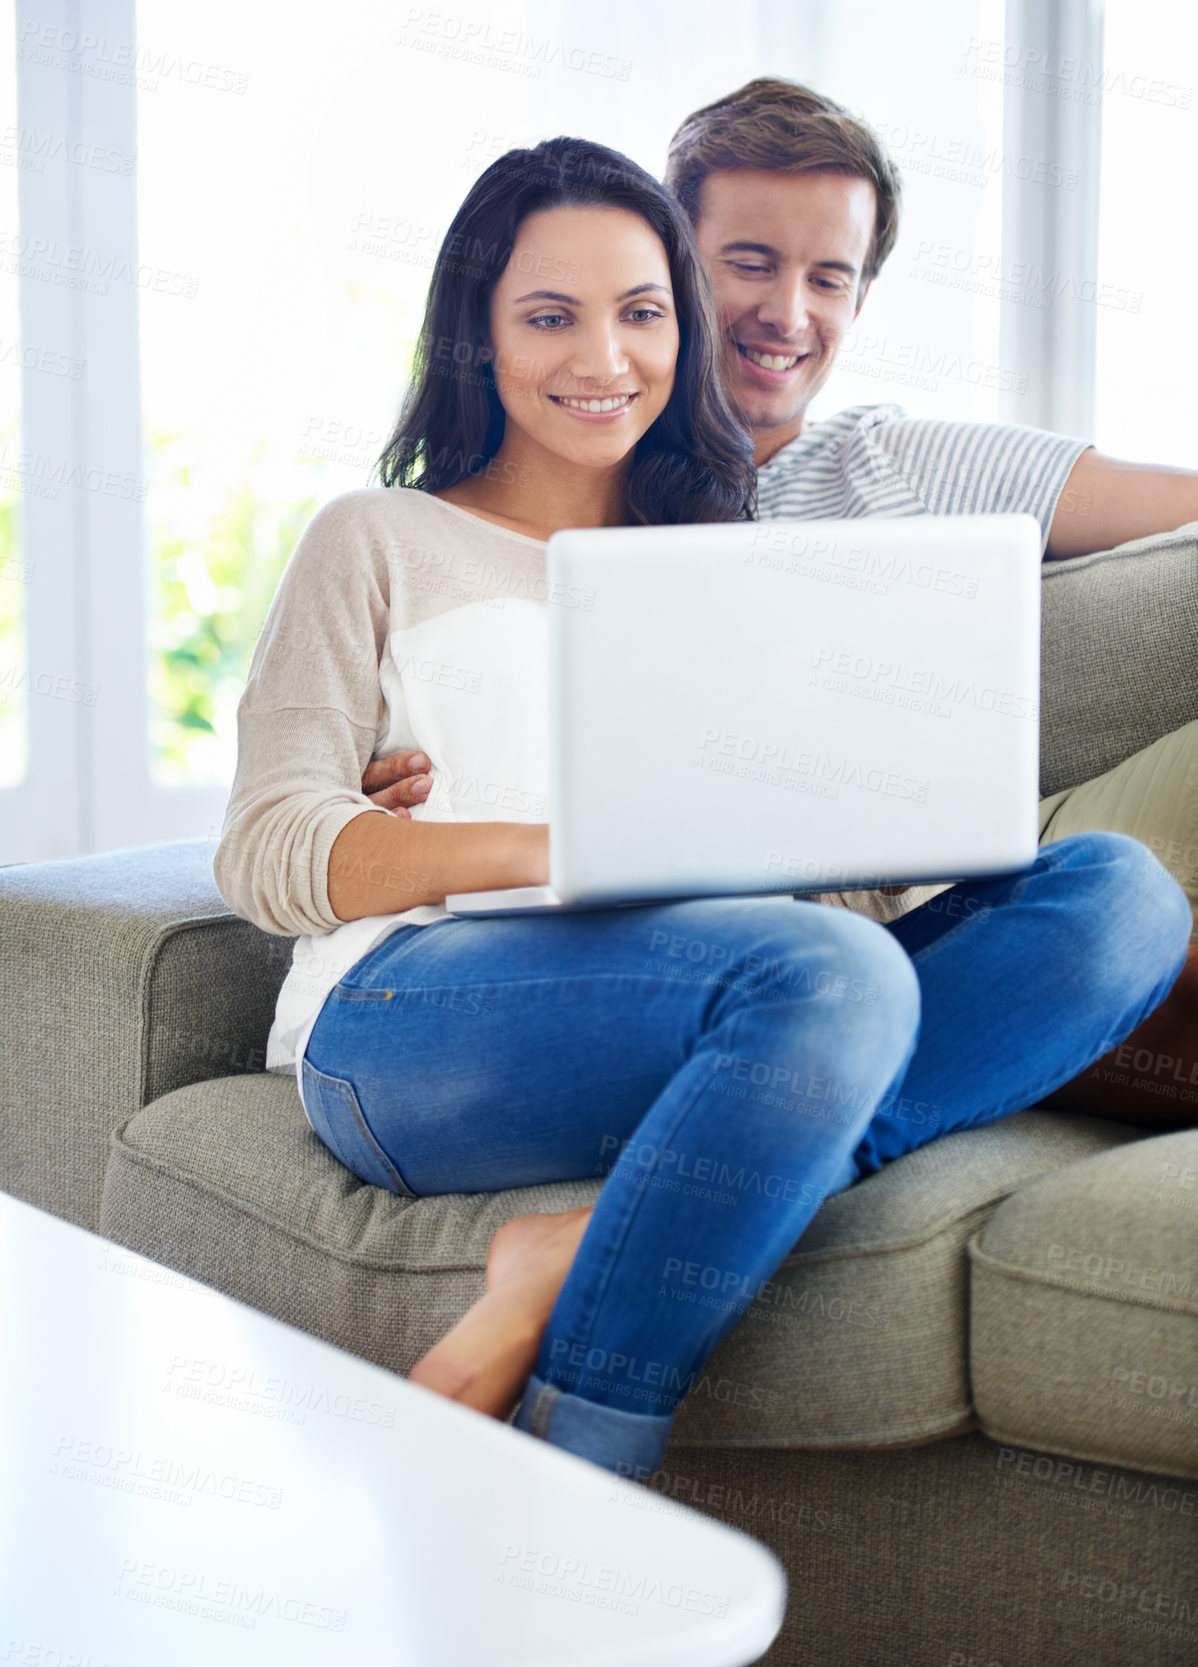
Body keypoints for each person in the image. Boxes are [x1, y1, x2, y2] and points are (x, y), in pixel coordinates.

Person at [214, 137, 1190, 1477]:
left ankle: (595, 1228)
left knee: (1114, 896)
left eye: (639, 313)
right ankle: (579, 1458)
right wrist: (553, 845)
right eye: (548, 316)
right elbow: (267, 847)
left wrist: (894, 819)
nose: (601, 357)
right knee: (825, 967)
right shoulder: (377, 538)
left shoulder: (732, 560)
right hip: (411, 1016)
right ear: (476, 338)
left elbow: (813, 906)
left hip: (734, 988)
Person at [368, 80, 1198, 1126]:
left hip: (881, 940)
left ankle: (796, 1132)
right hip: (654, 958)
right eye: (750, 262)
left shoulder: (901, 466)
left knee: (1121, 895)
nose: (787, 313)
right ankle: (804, 1111)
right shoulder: (563, 479)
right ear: (669, 268)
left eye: (829, 278)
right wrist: (403, 765)